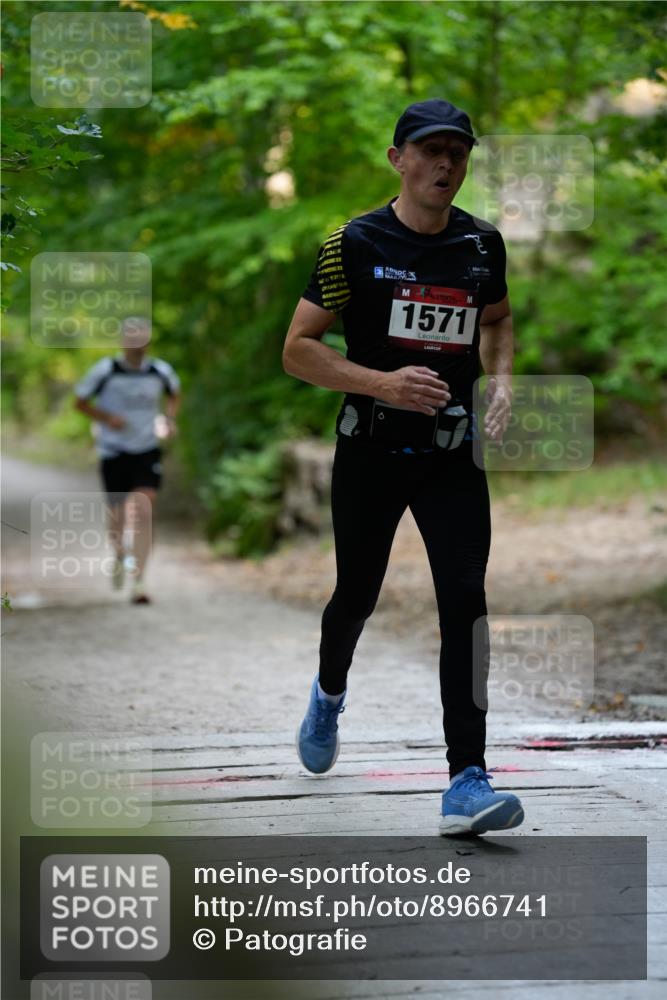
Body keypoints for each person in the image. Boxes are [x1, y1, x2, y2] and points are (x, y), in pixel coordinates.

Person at [283, 99, 524, 836]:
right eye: (430, 150)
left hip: (451, 455)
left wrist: (502, 379)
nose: (445, 164)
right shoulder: (350, 243)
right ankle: (329, 692)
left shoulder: (481, 245)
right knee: (355, 594)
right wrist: (383, 383)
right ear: (398, 159)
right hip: (372, 449)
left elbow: (498, 321)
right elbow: (297, 348)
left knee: (465, 603)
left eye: (457, 151)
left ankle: (466, 779)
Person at [74, 317, 180, 604]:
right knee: (118, 517)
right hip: (114, 451)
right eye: (131, 337)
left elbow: (174, 394)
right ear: (123, 340)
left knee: (144, 510)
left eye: (142, 336)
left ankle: (140, 580)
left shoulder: (160, 371)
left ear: (148, 340)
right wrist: (108, 418)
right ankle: (120, 554)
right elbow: (80, 402)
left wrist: (169, 420)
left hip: (146, 449)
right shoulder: (106, 370)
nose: (137, 342)